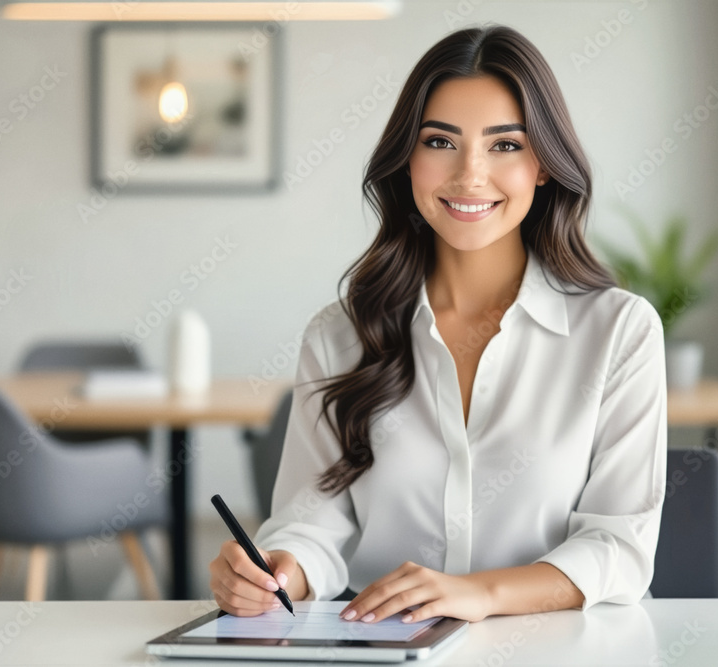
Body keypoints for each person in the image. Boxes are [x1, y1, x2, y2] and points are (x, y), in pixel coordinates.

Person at [209, 23, 667, 626]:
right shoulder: (339, 336)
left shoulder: (619, 331)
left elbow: (620, 547)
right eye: (440, 142)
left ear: (545, 166)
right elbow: (310, 522)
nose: (469, 174)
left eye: (505, 145)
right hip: (389, 648)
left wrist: (479, 594)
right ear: (407, 160)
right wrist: (277, 570)